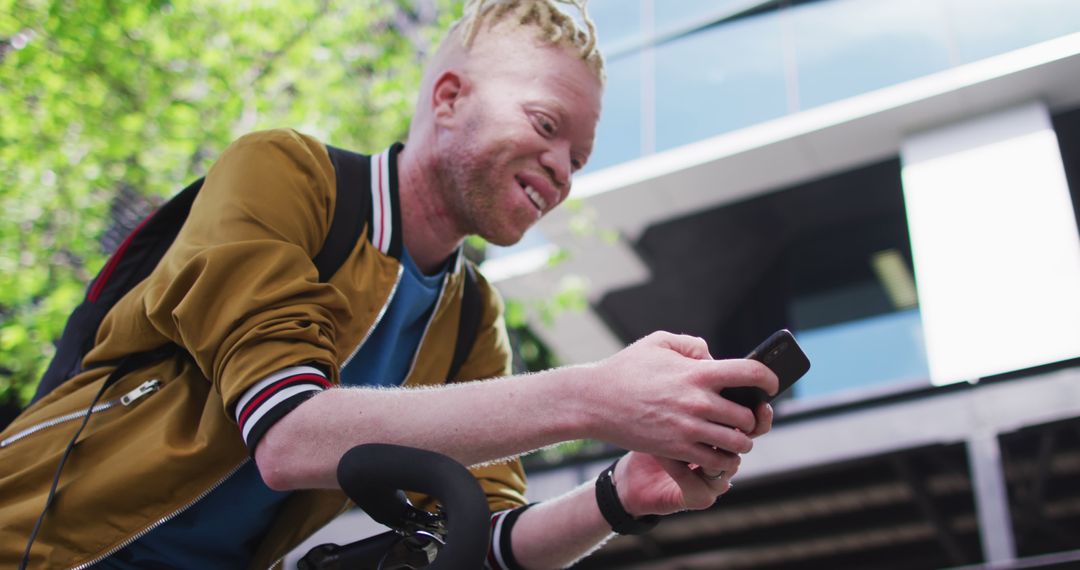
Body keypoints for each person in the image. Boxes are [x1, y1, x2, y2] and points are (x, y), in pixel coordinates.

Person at [0, 1, 779, 568]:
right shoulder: (285, 173)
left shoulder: (473, 315)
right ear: (448, 99)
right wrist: (597, 397)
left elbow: (483, 543)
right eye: (547, 126)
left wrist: (621, 494)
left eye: (577, 157)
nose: (561, 171)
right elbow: (290, 433)